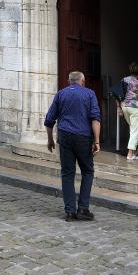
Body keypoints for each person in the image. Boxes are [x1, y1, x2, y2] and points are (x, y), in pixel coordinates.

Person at [44, 70, 101, 221]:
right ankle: (83, 208)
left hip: (65, 136)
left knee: (67, 173)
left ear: (69, 81)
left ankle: (70, 211)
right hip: (83, 137)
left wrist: (50, 140)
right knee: (87, 171)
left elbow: (49, 120)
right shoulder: (89, 94)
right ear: (83, 81)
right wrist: (97, 141)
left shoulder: (61, 94)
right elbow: (95, 118)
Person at [120, 62, 138, 161]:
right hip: (135, 108)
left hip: (124, 106)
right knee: (134, 131)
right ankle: (130, 154)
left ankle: (134, 150)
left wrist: (118, 107)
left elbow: (117, 93)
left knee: (132, 129)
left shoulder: (123, 80)